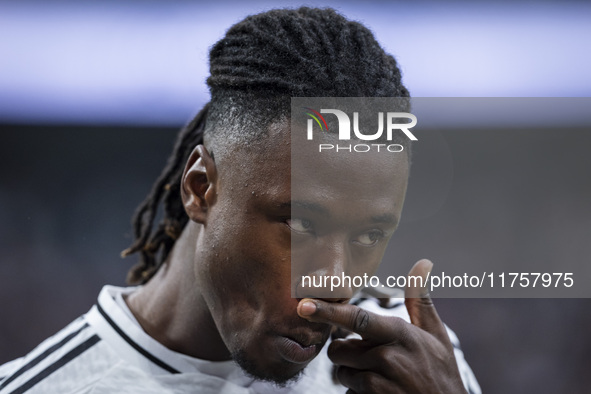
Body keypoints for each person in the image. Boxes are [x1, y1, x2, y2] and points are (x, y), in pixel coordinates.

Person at [0, 7, 480, 394]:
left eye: (371, 234)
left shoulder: (414, 364)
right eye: (299, 224)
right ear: (200, 189)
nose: (337, 280)